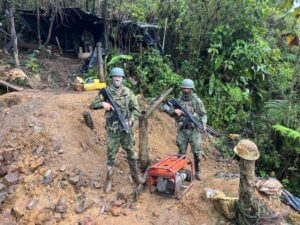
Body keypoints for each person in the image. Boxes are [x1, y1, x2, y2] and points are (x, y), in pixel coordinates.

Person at [90, 67, 141, 193]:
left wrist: (132, 119)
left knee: (131, 153)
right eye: (115, 76)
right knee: (111, 155)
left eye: (119, 77)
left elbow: (136, 109)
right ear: (112, 78)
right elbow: (92, 105)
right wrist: (103, 104)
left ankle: (135, 178)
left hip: (126, 130)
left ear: (122, 78)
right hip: (112, 131)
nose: (117, 78)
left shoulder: (128, 92)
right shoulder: (106, 92)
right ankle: (109, 180)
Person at [167, 79, 207, 180]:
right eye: (184, 88)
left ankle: (198, 171)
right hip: (182, 130)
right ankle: (180, 171)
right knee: (181, 152)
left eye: (188, 88)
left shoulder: (196, 101)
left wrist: (204, 124)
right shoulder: (178, 100)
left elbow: (203, 114)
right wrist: (174, 111)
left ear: (192, 89)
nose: (185, 90)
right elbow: (168, 109)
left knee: (197, 152)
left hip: (194, 131)